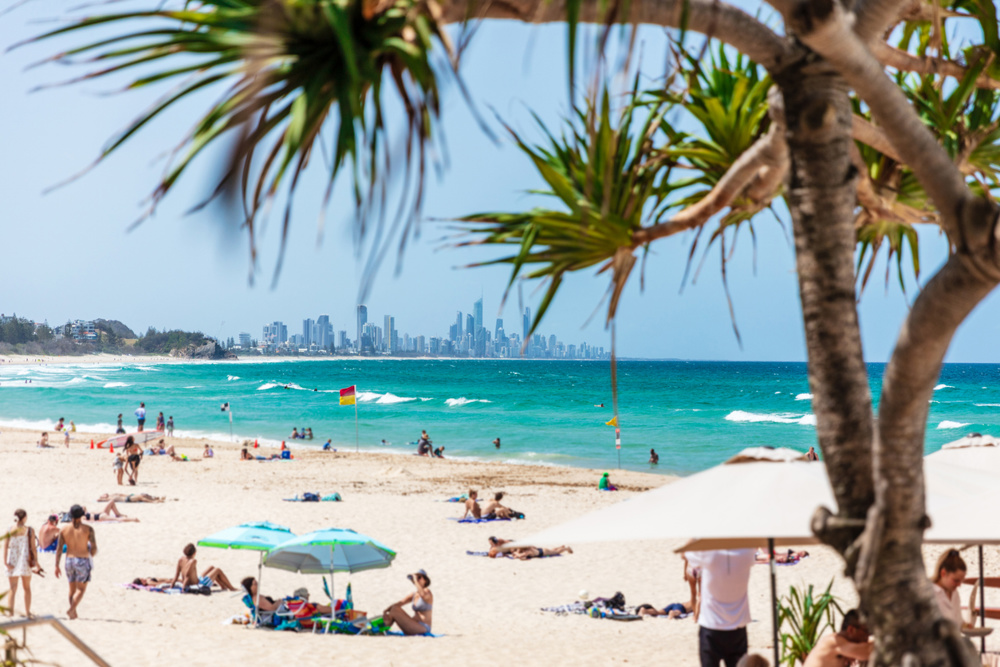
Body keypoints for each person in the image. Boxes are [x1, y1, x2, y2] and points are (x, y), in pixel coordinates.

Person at [686, 549, 756, 667]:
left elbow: (687, 554)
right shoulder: (747, 552)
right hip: (737, 627)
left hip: (711, 626)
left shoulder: (707, 553)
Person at [55, 505, 98, 620]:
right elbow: (93, 548)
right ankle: (71, 609)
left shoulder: (63, 529)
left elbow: (59, 549)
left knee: (72, 590)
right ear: (81, 516)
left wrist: (56, 566)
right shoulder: (88, 529)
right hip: (82, 559)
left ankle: (73, 613)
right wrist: (91, 555)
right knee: (81, 590)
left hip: (69, 560)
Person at [802, 609, 872, 667]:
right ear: (851, 630)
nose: (867, 636)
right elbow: (867, 651)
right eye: (866, 631)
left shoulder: (843, 646)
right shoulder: (834, 642)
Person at [5, 509, 42, 617]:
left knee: (12, 587)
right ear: (24, 517)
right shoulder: (29, 530)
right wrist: (37, 563)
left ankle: (10, 612)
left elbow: (5, 547)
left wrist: (5, 563)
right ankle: (27, 612)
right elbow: (33, 548)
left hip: (12, 560)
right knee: (27, 588)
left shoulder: (9, 529)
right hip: (24, 560)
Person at [381, 570, 433, 635]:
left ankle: (383, 628)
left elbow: (422, 594)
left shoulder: (427, 592)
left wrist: (415, 580)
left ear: (425, 580)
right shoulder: (414, 594)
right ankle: (382, 628)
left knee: (394, 610)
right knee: (394, 609)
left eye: (419, 577)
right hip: (413, 625)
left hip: (423, 627)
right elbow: (399, 603)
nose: (417, 579)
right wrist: (386, 611)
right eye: (416, 578)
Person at [931, 549, 971, 629]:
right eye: (956, 580)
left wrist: (966, 626)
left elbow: (957, 621)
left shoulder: (955, 593)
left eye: (961, 581)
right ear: (943, 573)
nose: (959, 585)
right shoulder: (930, 594)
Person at [169, 544, 236, 591]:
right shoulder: (193, 561)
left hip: (197, 580)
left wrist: (171, 586)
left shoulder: (181, 559)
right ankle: (231, 588)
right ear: (194, 553)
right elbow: (187, 576)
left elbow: (176, 575)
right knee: (217, 570)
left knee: (211, 567)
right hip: (200, 584)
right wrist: (183, 589)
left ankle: (223, 586)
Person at [97, 493, 164, 503]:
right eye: (103, 494)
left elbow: (122, 494)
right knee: (140, 497)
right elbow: (99, 500)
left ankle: (155, 498)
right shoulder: (108, 499)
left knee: (143, 495)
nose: (105, 494)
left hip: (128, 497)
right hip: (126, 500)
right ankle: (153, 502)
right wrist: (101, 498)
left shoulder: (113, 494)